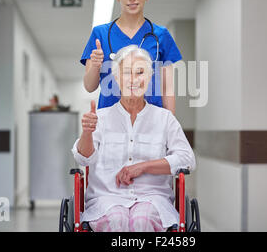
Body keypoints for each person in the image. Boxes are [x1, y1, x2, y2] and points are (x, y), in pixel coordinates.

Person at [71, 45, 196, 232]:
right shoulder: (101, 117)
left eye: (140, 73)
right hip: (107, 199)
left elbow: (187, 160)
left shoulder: (165, 119)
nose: (134, 80)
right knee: (117, 220)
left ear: (149, 78)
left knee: (142, 220)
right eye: (127, 73)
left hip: (153, 200)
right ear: (116, 78)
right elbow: (83, 158)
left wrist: (143, 167)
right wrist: (87, 133)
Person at [80, 0, 182, 114]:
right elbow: (89, 87)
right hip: (110, 122)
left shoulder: (161, 35)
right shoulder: (100, 34)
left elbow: (167, 89)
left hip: (151, 121)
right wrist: (95, 65)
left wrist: (170, 127)